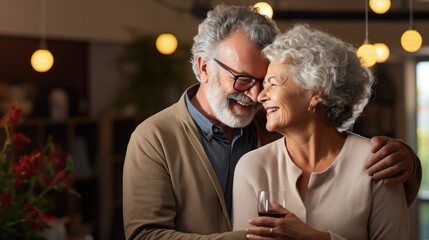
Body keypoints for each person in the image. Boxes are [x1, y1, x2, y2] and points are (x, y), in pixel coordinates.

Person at [123, 5, 421, 240]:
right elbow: (145, 235)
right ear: (203, 67)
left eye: (265, 81)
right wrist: (251, 237)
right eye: (243, 79)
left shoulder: (277, 123)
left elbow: (341, 150)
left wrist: (407, 159)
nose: (255, 95)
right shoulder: (154, 138)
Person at [232, 24, 411, 239]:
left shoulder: (378, 164)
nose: (260, 96)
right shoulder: (253, 167)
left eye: (273, 84)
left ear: (315, 91)